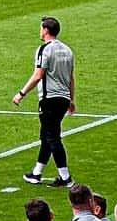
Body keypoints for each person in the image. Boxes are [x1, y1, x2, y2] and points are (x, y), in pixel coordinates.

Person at [14, 15, 76, 186]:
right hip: (63, 98)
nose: (40, 31)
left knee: (53, 137)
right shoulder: (68, 50)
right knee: (47, 136)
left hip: (49, 99)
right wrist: (71, 99)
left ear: (46, 30)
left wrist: (21, 93)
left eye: (41, 28)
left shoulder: (45, 50)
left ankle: (65, 177)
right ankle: (36, 173)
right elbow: (71, 78)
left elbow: (38, 75)